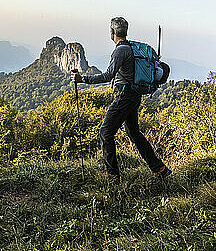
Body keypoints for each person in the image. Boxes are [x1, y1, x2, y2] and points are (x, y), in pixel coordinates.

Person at [71, 17, 171, 180]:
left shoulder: (120, 50)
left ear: (112, 32)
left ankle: (112, 173)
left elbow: (108, 75)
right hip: (134, 95)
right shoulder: (131, 47)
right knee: (133, 133)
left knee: (105, 131)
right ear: (125, 31)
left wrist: (84, 79)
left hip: (125, 96)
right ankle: (159, 169)